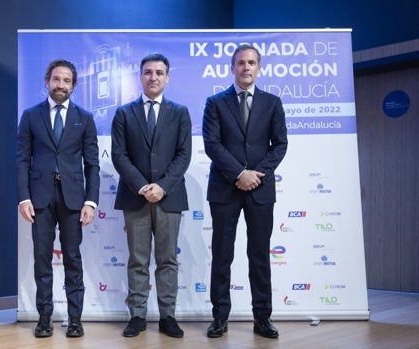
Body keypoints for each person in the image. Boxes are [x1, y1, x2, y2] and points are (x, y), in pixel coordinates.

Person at [202, 44, 288, 339]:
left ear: (259, 68)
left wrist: (256, 175)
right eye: (241, 63)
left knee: (259, 256)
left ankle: (262, 318)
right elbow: (212, 144)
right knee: (222, 255)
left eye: (251, 63)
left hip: (260, 190)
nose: (246, 67)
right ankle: (219, 318)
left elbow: (280, 145)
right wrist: (239, 173)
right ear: (232, 67)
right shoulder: (215, 103)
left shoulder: (272, 102)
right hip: (225, 189)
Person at [17, 59, 100, 338]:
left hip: (73, 199)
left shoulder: (85, 118)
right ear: (47, 82)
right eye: (56, 79)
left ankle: (75, 319)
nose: (60, 85)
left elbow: (92, 165)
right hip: (39, 198)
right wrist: (23, 197)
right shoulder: (30, 115)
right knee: (42, 260)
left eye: (66, 81)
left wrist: (91, 201)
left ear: (73, 85)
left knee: (72, 259)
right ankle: (44, 318)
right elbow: (21, 160)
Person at [111, 53, 192, 338]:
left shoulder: (180, 112)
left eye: (159, 72)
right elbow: (119, 155)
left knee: (168, 259)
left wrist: (163, 186)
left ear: (167, 78)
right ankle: (137, 316)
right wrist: (142, 186)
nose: (153, 77)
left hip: (169, 197)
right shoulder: (123, 113)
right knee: (138, 259)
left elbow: (184, 155)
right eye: (148, 72)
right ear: (140, 76)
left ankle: (168, 316)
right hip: (136, 197)